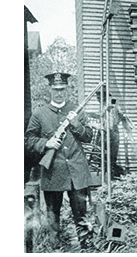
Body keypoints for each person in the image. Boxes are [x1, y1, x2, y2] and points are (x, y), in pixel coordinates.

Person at [24, 72, 93, 246]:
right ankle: (54, 248)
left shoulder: (77, 110)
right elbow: (29, 140)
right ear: (50, 90)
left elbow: (89, 137)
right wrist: (47, 143)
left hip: (77, 171)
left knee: (81, 213)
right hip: (53, 171)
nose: (59, 92)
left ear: (67, 89)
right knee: (53, 213)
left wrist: (76, 124)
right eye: (55, 89)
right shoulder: (39, 113)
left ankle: (85, 246)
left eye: (62, 89)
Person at [89, 87, 134, 179]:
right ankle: (106, 177)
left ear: (105, 94)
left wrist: (128, 131)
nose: (97, 97)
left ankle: (113, 176)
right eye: (96, 95)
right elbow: (101, 115)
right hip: (103, 132)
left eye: (99, 95)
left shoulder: (112, 101)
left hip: (112, 132)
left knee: (110, 157)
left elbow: (122, 116)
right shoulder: (102, 103)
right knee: (100, 156)